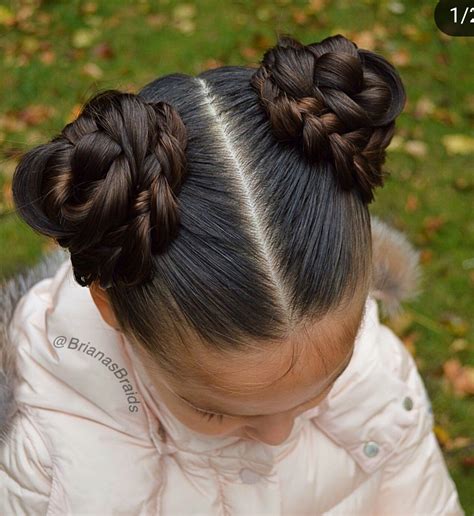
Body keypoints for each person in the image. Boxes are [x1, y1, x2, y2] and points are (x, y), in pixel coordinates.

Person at [0, 33, 464, 515]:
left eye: (327, 384)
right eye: (214, 411)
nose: (278, 434)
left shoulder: (380, 387)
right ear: (109, 305)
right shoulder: (48, 462)